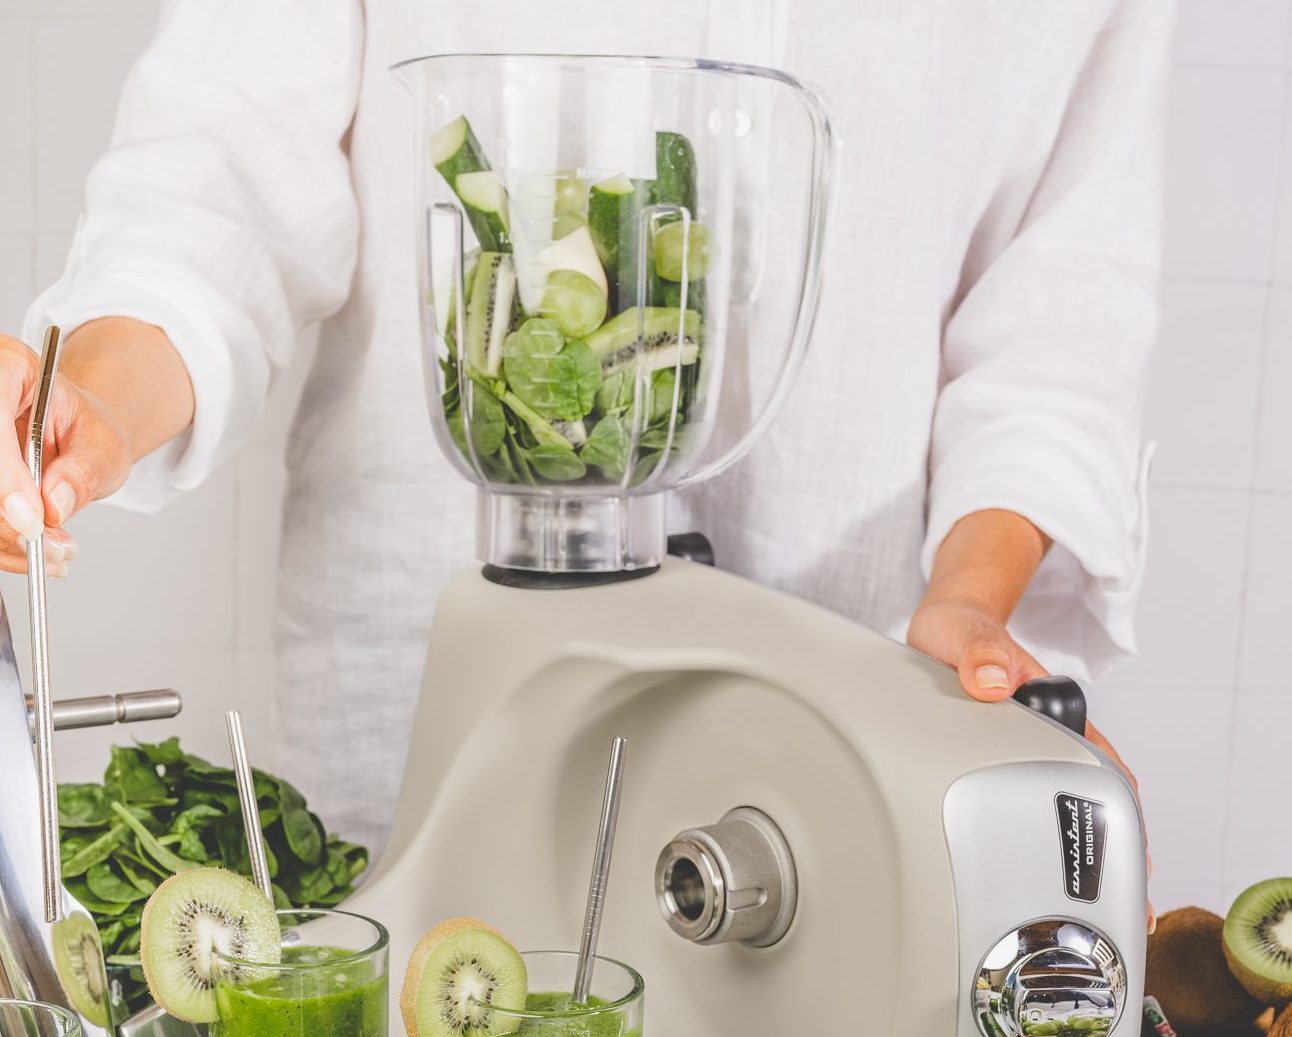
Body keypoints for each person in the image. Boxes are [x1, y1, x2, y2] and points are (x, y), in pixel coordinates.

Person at [0, 1, 1171, 895]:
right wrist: (88, 407)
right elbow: (219, 181)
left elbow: (1057, 315)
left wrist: (971, 596)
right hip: (420, 717)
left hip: (855, 719)